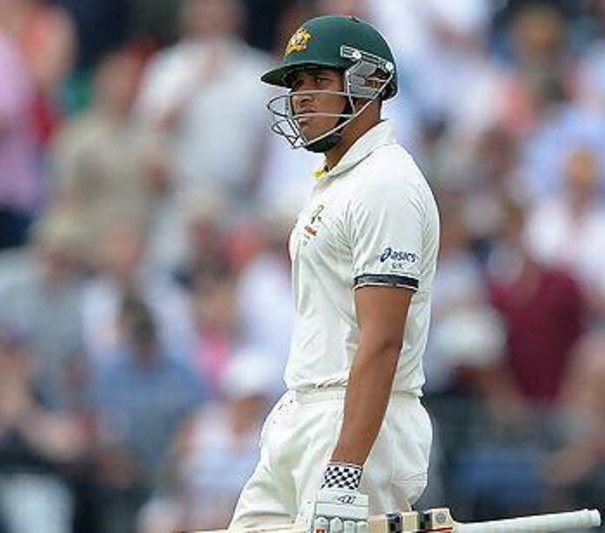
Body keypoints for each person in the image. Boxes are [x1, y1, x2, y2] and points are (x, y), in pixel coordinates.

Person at [229, 15, 440, 532]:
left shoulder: (385, 184)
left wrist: (345, 471)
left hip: (360, 426)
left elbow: (383, 339)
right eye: (296, 85)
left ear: (367, 84)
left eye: (319, 81)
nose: (302, 97)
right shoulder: (337, 181)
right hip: (302, 413)